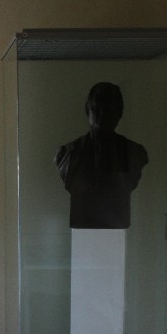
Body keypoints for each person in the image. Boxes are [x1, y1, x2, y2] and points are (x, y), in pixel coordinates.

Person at [54, 82, 148, 229]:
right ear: (87, 110)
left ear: (119, 113)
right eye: (96, 109)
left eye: (108, 110)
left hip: (117, 226)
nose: (102, 115)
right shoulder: (67, 153)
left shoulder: (134, 152)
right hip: (83, 228)